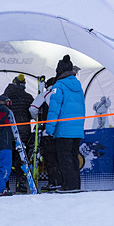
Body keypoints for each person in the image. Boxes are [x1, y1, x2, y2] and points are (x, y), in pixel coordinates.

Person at [46, 54, 85, 192]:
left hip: (64, 130)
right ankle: (75, 184)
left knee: (64, 158)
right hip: (77, 130)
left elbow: (54, 109)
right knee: (74, 158)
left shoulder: (58, 86)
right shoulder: (78, 87)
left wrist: (49, 129)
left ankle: (69, 185)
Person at [29, 76, 62, 191]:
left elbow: (33, 109)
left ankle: (54, 182)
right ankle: (62, 181)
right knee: (61, 157)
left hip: (47, 131)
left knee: (50, 158)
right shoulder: (62, 93)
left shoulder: (45, 94)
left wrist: (37, 119)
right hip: (62, 131)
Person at [3, 74, 34, 192]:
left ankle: (4, 186)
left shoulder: (6, 96)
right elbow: (33, 113)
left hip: (9, 133)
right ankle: (21, 184)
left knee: (7, 160)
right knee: (22, 159)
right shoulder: (28, 97)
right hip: (25, 132)